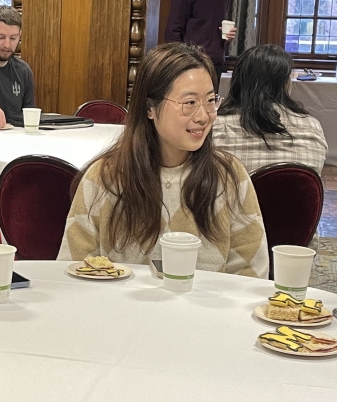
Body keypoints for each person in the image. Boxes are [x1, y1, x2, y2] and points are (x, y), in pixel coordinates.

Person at [58, 43, 269, 277]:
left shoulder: (229, 177)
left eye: (210, 101)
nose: (203, 116)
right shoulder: (104, 177)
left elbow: (251, 273)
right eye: (189, 103)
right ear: (150, 108)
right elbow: (73, 269)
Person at [212, 44, 328, 174]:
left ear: (237, 81)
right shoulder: (312, 126)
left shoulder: (214, 126)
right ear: (285, 83)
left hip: (233, 194)